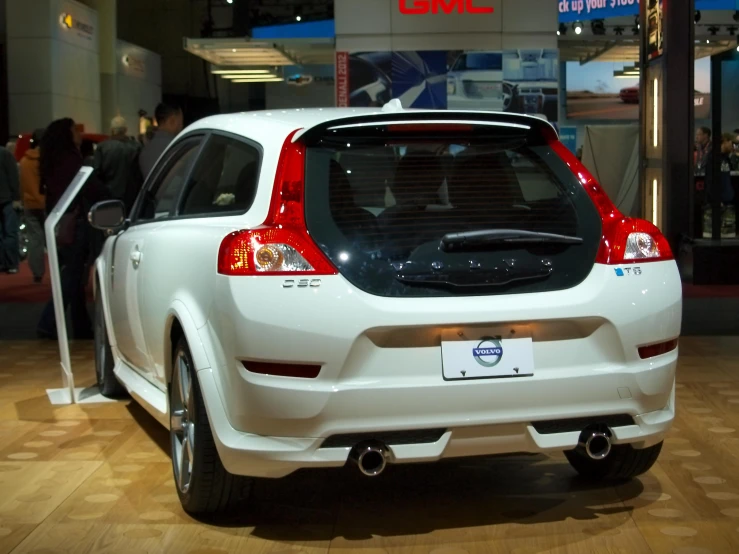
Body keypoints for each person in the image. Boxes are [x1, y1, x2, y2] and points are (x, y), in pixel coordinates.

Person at [36, 118, 109, 340]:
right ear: (67, 135)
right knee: (73, 277)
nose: (79, 134)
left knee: (73, 277)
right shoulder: (71, 160)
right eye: (74, 131)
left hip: (60, 222)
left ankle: (80, 325)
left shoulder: (52, 160)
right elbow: (89, 188)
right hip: (74, 223)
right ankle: (49, 321)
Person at [93, 116, 143, 214]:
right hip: (132, 196)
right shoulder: (136, 147)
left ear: (111, 130)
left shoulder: (102, 147)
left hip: (109, 195)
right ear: (125, 130)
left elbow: (97, 172)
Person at [19, 129, 46, 282]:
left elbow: (21, 184)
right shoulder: (46, 161)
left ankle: (37, 273)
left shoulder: (24, 162)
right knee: (53, 238)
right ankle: (61, 268)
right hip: (46, 203)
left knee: (35, 240)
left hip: (30, 203)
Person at [139, 103, 183, 179]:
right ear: (172, 121)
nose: (182, 126)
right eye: (181, 121)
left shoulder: (144, 151)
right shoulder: (178, 147)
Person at [0, 141, 21, 274]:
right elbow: (13, 177)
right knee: (10, 233)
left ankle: (2, 263)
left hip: (6, 198)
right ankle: (12, 263)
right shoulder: (5, 154)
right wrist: (16, 197)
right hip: (7, 199)